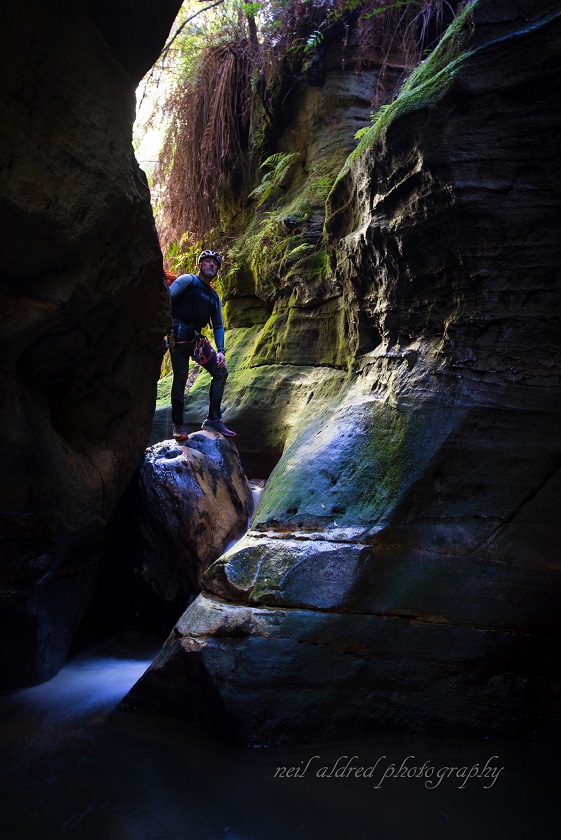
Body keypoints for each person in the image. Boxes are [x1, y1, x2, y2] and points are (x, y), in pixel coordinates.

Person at [168, 249, 235, 441]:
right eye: (207, 261)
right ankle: (178, 426)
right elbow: (168, 299)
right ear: (199, 265)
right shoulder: (188, 281)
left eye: (215, 263)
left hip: (196, 339)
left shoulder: (214, 297)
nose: (211, 264)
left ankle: (214, 419)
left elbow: (218, 326)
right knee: (180, 377)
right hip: (178, 333)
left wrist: (221, 351)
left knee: (221, 371)